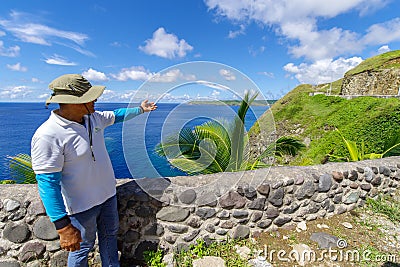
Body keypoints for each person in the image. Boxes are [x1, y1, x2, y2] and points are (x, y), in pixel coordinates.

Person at [31, 74, 157, 267]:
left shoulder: (93, 119)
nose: (95, 100)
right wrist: (63, 227)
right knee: (82, 249)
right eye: (90, 97)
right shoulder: (48, 135)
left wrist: (141, 109)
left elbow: (118, 115)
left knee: (109, 238)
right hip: (80, 207)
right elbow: (48, 184)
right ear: (74, 102)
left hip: (107, 196)